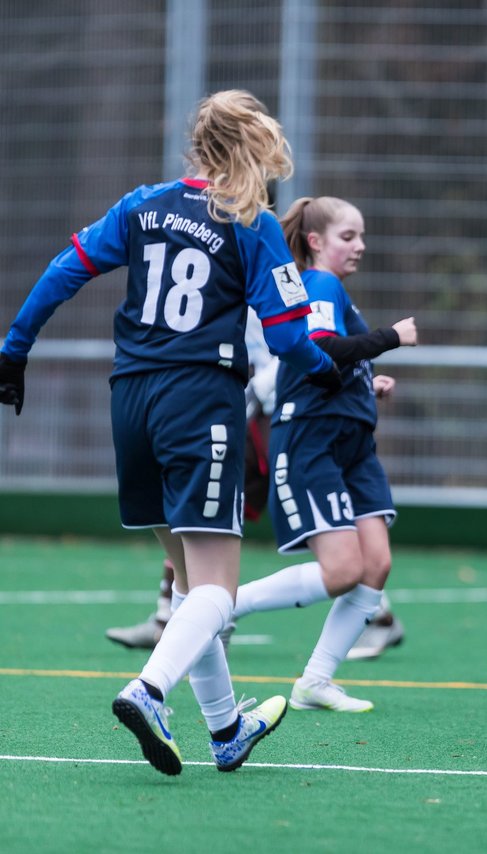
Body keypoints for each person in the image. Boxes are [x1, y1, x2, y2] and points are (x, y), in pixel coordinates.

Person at [0, 90, 344, 775]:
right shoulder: (254, 222)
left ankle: (225, 730)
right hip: (199, 398)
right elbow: (288, 337)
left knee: (191, 584)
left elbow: (64, 270)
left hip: (130, 398)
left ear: (198, 144)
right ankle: (150, 691)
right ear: (257, 146)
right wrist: (328, 371)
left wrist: (14, 349)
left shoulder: (142, 204)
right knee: (217, 585)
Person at [106, 309, 406, 660]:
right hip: (259, 407)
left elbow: (305, 346)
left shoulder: (283, 279)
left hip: (277, 413)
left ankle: (194, 613)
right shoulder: (236, 275)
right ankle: (169, 615)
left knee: (210, 510)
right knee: (199, 508)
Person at [225, 195, 415, 712]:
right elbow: (321, 348)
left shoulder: (332, 291)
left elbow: (330, 362)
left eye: (360, 237)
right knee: (342, 571)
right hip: (312, 439)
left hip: (352, 442)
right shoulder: (320, 283)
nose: (360, 247)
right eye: (348, 236)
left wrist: (366, 383)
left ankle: (315, 682)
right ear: (315, 242)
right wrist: (389, 338)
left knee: (376, 564)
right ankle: (222, 606)